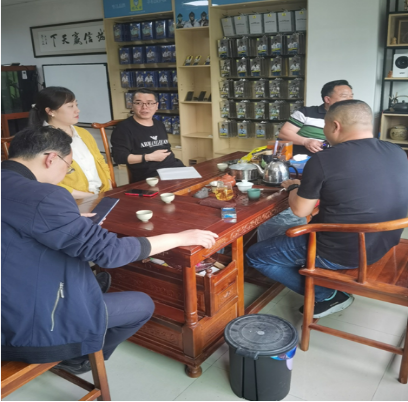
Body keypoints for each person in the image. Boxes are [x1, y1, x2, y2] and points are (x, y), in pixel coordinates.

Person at [1, 126, 218, 373]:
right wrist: (179, 237)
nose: (65, 174)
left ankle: (89, 301)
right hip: (30, 325)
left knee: (93, 278)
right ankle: (78, 359)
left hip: (9, 294)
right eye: (69, 167)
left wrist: (68, 222)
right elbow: (110, 253)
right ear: (51, 158)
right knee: (142, 305)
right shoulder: (45, 196)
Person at [247, 100, 408, 319]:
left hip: (341, 252)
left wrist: (293, 187)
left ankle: (327, 295)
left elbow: (300, 211)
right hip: (384, 242)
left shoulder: (325, 159)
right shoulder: (396, 151)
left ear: (335, 125)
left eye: (324, 126)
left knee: (256, 255)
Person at [28, 86, 112, 199]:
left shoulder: (83, 133)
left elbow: (100, 161)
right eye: (70, 106)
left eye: (76, 105)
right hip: (71, 200)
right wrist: (90, 197)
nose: (77, 110)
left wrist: (108, 187)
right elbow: (45, 181)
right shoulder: (41, 140)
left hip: (100, 194)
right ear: (50, 111)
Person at [111, 89, 184, 183]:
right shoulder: (124, 128)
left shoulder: (159, 124)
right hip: (152, 176)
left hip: (175, 169)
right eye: (139, 103)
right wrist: (149, 157)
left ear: (156, 106)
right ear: (132, 106)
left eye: (150, 103)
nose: (144, 107)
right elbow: (119, 157)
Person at [278, 79, 354, 156]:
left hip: (331, 158)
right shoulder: (306, 112)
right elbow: (284, 134)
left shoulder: (351, 118)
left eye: (351, 96)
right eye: (344, 96)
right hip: (300, 158)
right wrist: (305, 141)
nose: (350, 100)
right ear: (327, 99)